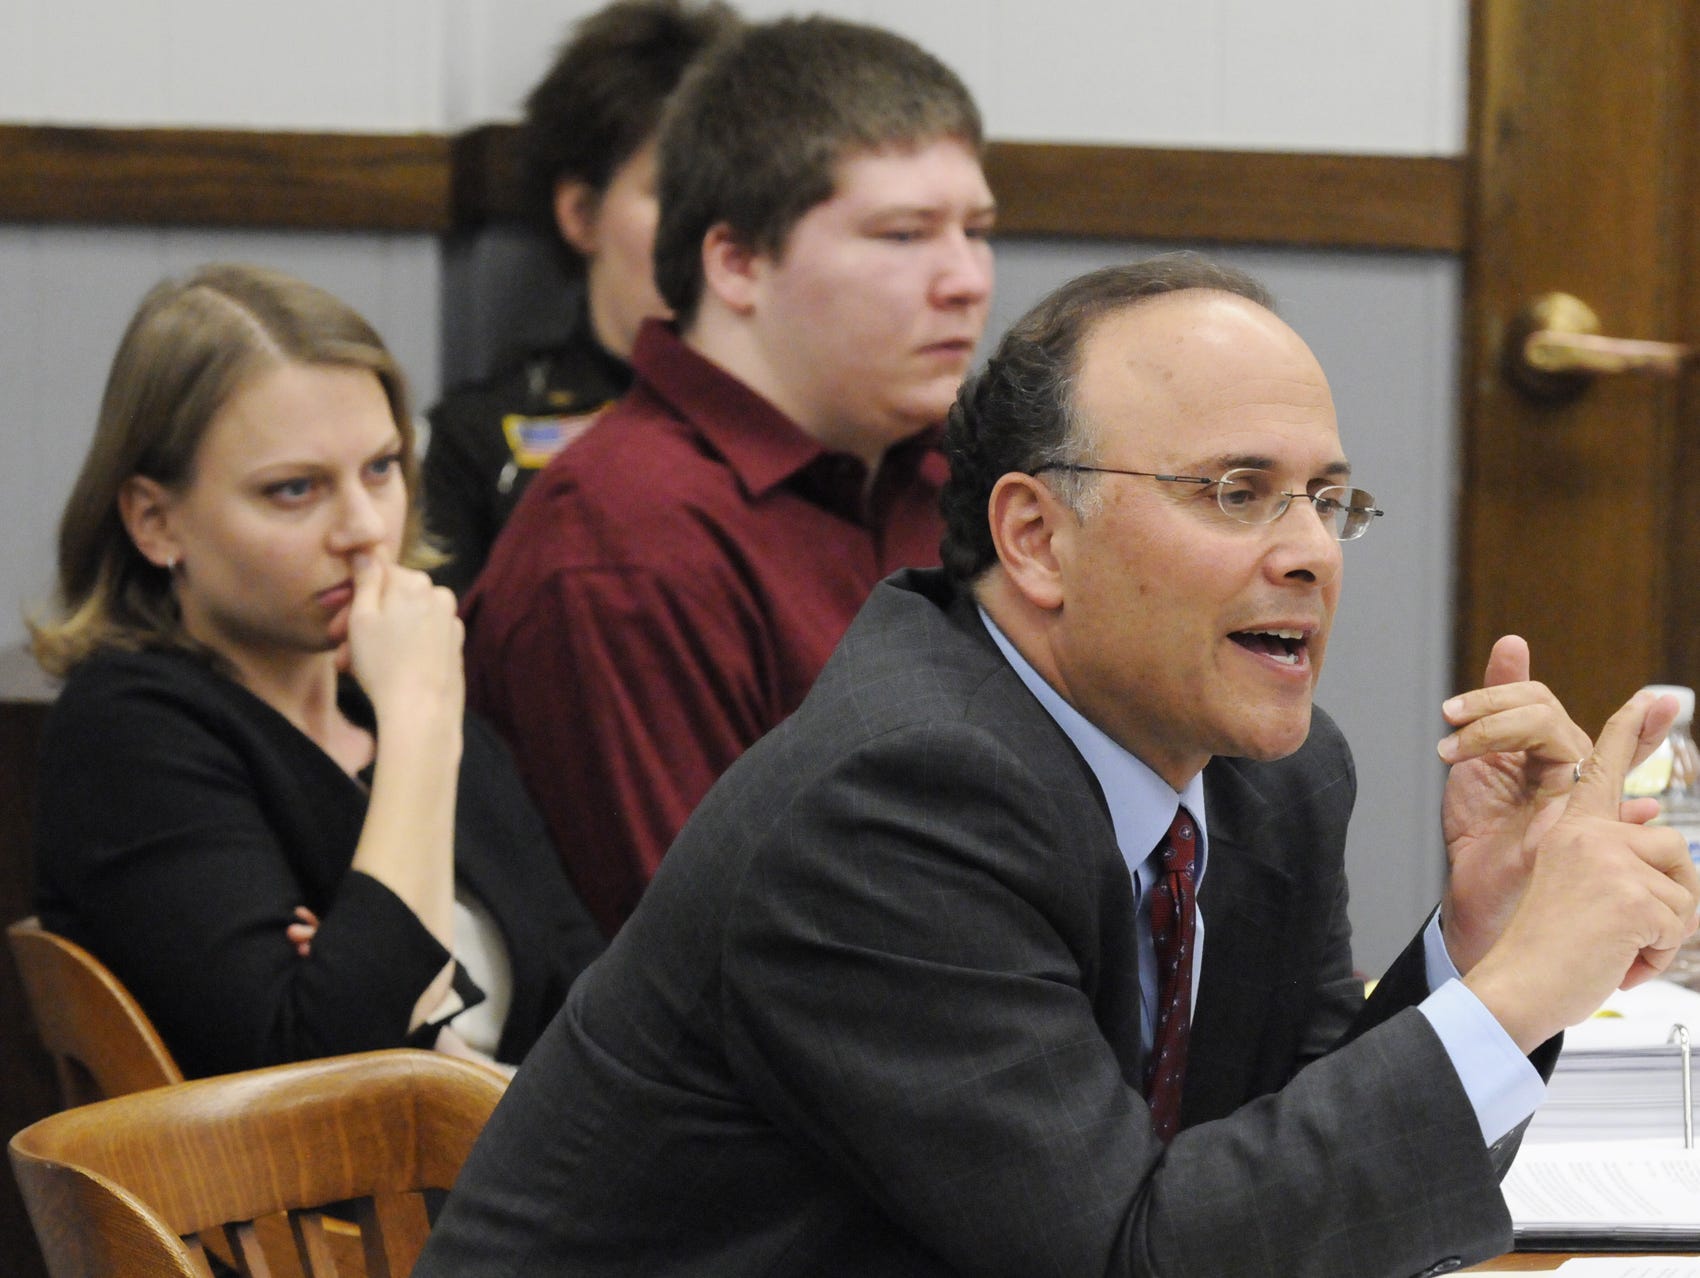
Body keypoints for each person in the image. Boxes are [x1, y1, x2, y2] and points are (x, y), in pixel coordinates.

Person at [417, 256, 1700, 1278]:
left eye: (1326, 498)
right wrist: (1519, 996)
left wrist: (1474, 953)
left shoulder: (1271, 778)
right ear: (1033, 536)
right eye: (1237, 492)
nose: (1310, 550)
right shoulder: (895, 805)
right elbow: (1124, 1254)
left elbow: (1275, 1177)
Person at [463, 15, 997, 935]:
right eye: (904, 234)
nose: (966, 280)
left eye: (978, 231)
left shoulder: (963, 480)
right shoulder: (623, 540)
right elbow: (719, 958)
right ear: (738, 262)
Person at [30, 263, 605, 1081]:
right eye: (295, 490)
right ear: (156, 522)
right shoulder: (129, 729)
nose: (366, 529)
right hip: (354, 1206)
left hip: (516, 1182)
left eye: (382, 468)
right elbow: (323, 1069)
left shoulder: (392, 707)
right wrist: (418, 727)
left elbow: (596, 1012)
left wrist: (373, 961)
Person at [423, 0, 740, 596]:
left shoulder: (820, 419)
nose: (715, 229)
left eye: (735, 192)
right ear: (580, 214)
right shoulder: (480, 440)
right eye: (675, 193)